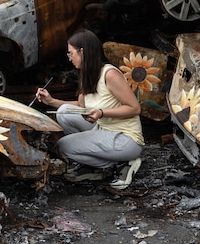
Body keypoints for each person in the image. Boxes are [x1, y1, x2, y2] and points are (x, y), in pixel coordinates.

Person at [35, 29, 144, 189]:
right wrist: (51, 101)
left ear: (83, 52)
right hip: (103, 128)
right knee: (63, 112)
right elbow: (81, 107)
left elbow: (134, 108)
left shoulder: (110, 74)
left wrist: (101, 113)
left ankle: (122, 162)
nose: (69, 58)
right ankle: (95, 161)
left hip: (126, 138)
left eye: (71, 53)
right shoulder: (88, 74)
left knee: (63, 146)